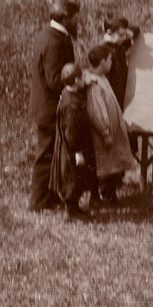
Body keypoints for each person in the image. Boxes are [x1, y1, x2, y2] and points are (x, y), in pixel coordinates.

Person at [28, 0, 80, 212]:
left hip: (46, 107)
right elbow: (54, 80)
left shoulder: (50, 35)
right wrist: (76, 81)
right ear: (66, 17)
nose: (77, 21)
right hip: (49, 109)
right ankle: (37, 201)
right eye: (75, 17)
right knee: (46, 155)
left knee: (50, 154)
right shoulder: (54, 42)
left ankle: (48, 197)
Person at [85, 44, 138, 203]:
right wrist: (105, 132)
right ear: (102, 62)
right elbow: (96, 111)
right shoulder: (94, 84)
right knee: (102, 164)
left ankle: (108, 193)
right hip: (103, 133)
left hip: (110, 130)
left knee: (111, 162)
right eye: (109, 60)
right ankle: (97, 196)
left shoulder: (102, 78)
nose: (111, 62)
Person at [49, 63, 98, 221]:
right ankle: (71, 211)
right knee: (73, 179)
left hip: (73, 147)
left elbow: (80, 88)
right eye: (82, 77)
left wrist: (87, 83)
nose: (85, 79)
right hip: (73, 150)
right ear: (76, 80)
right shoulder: (71, 105)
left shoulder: (68, 93)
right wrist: (78, 152)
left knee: (79, 178)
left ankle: (75, 207)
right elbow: (71, 132)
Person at [102, 16, 140, 109]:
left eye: (125, 34)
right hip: (113, 92)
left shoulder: (118, 42)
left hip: (122, 87)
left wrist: (129, 33)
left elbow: (136, 29)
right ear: (109, 34)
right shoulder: (105, 50)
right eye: (121, 35)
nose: (124, 38)